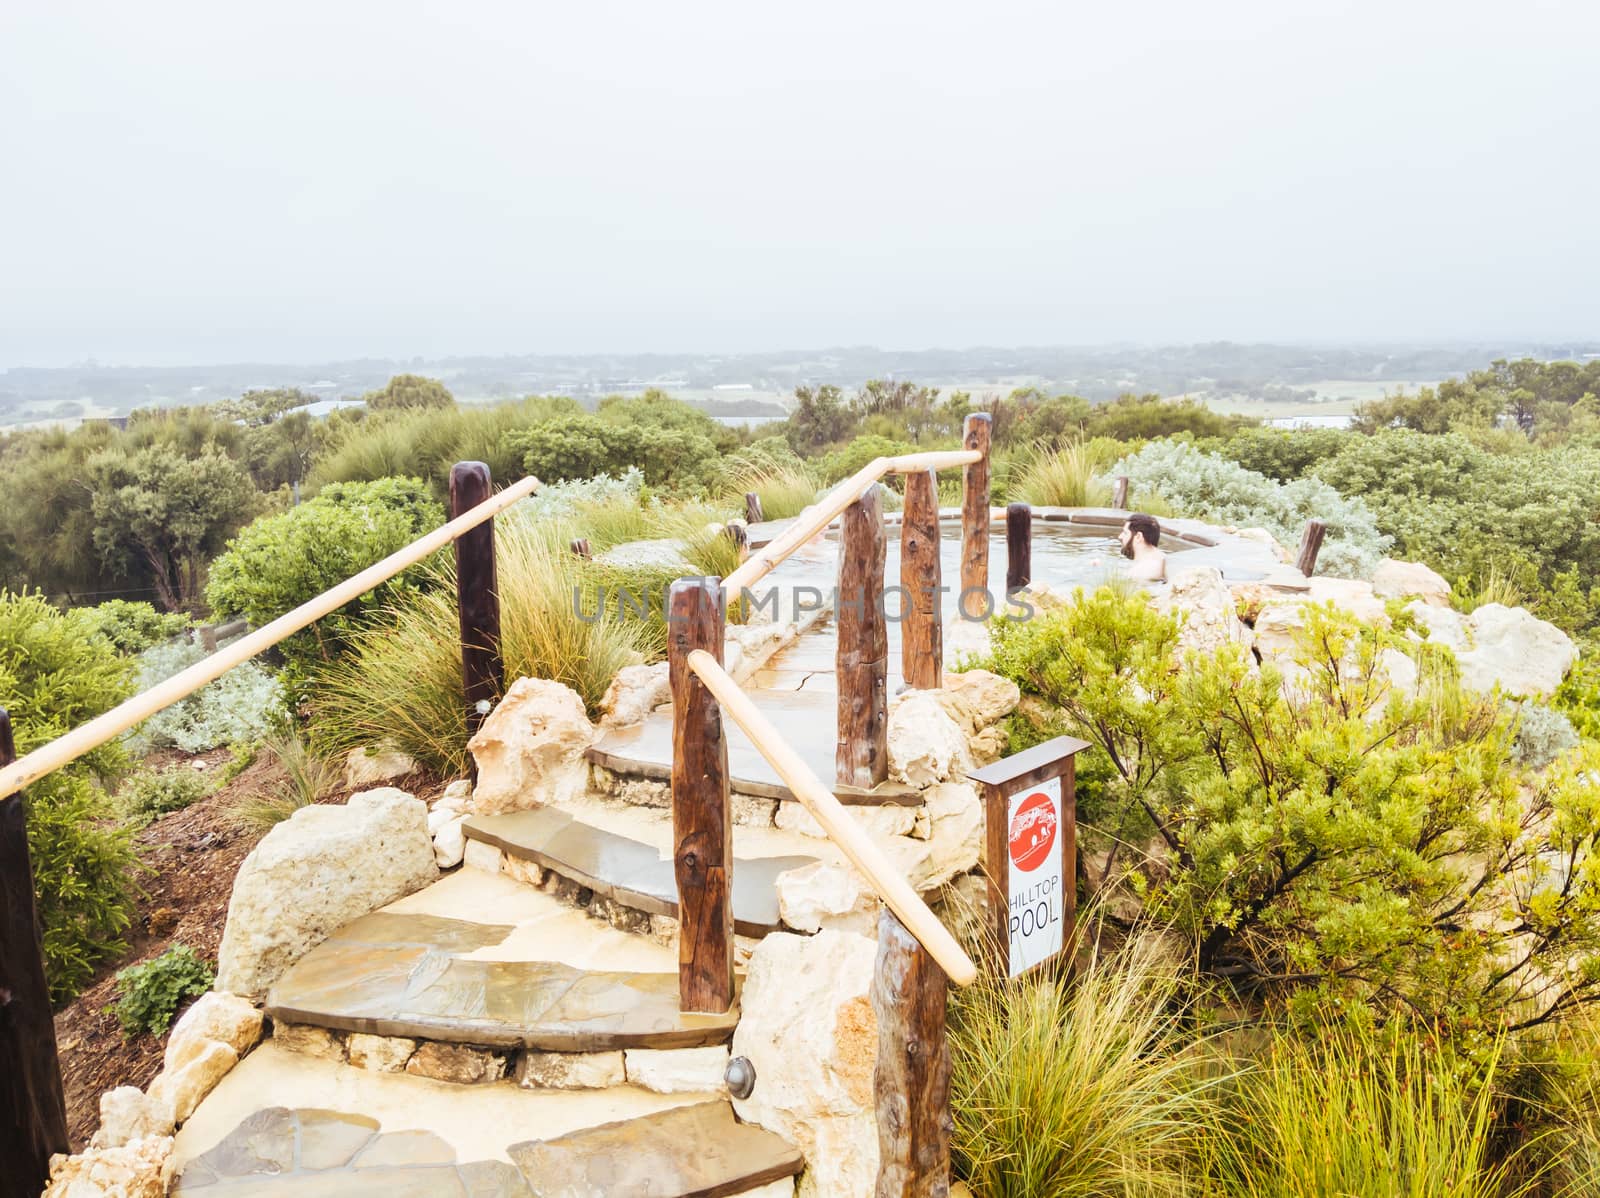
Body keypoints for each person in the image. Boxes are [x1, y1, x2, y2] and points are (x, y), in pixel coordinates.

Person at [1119, 512, 1167, 582]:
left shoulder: (1138, 574)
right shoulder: (1162, 558)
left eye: (1125, 533)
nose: (1120, 536)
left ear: (1138, 536)